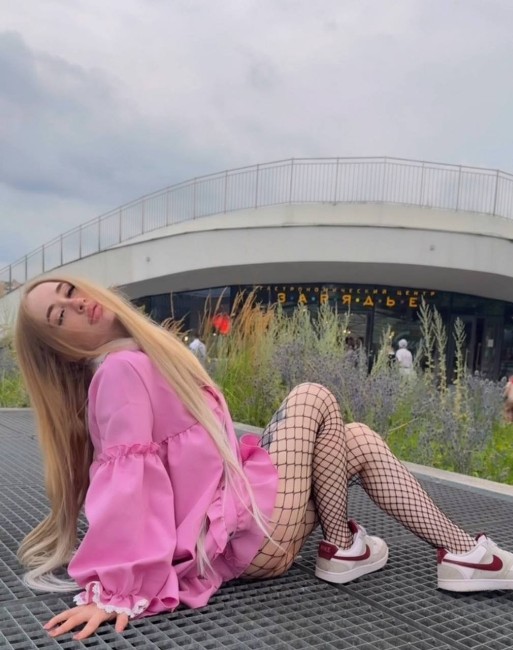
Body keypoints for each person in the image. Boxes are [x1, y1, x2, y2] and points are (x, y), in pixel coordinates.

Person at [14, 275, 513, 642]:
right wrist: (118, 591)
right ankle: (350, 548)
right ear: (62, 350)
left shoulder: (143, 357)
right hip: (243, 536)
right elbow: (130, 489)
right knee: (312, 395)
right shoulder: (120, 371)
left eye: (70, 291)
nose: (77, 303)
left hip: (248, 523)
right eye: (61, 316)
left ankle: (458, 553)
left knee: (357, 438)